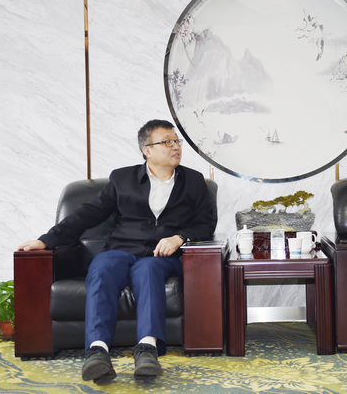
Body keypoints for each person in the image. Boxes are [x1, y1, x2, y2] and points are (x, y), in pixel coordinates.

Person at [17, 119, 216, 384]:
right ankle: (97, 351)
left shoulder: (193, 181)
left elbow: (206, 224)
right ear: (147, 150)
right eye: (167, 142)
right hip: (121, 249)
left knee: (148, 269)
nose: (175, 146)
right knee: (102, 268)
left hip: (162, 257)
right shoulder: (122, 179)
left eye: (176, 141)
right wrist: (46, 240)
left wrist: (179, 237)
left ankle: (147, 349)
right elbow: (89, 213)